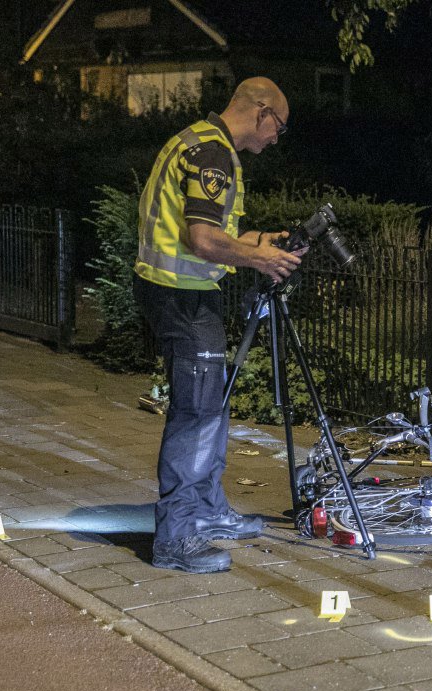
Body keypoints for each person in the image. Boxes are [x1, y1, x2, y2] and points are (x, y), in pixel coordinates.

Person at [134, 77, 304, 573]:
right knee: (197, 413)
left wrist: (262, 239)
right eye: (280, 127)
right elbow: (204, 242)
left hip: (178, 293)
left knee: (212, 404)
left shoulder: (203, 143)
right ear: (261, 111)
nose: (277, 138)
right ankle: (177, 537)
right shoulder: (212, 155)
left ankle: (207, 512)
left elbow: (217, 232)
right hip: (181, 298)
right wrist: (259, 259)